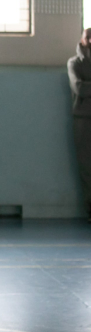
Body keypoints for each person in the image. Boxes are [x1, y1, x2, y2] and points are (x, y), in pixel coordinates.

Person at [67, 28, 91, 223]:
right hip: (83, 119)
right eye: (88, 38)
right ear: (82, 40)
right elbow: (79, 88)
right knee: (86, 166)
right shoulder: (74, 63)